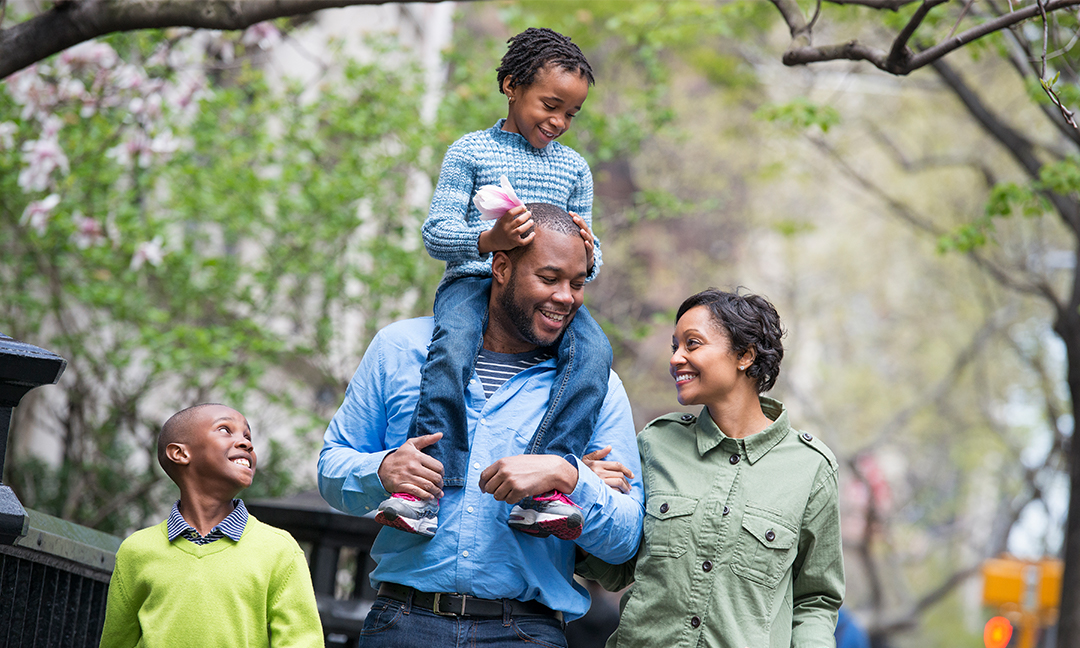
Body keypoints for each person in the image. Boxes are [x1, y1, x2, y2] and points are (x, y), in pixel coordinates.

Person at [318, 203, 643, 648]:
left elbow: (626, 538)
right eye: (548, 279)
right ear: (502, 267)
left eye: (577, 283)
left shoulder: (598, 386)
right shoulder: (400, 349)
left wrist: (571, 477)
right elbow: (331, 467)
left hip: (525, 633)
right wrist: (381, 471)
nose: (566, 297)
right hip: (403, 623)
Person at [377, 27, 611, 540]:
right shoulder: (471, 152)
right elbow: (437, 233)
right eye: (550, 105)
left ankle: (548, 487)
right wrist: (491, 239)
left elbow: (588, 261)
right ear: (511, 85)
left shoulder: (574, 168)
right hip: (472, 282)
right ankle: (425, 488)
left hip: (546, 296)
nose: (559, 121)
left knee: (595, 353)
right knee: (452, 350)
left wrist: (589, 255)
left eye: (571, 114)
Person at [578, 288, 845, 648]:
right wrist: (586, 498)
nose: (676, 358)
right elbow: (616, 568)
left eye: (692, 344)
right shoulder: (655, 445)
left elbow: (816, 600)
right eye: (675, 346)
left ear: (744, 355)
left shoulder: (811, 469)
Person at [99, 404, 324, 648]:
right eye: (226, 430)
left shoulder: (279, 549)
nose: (246, 443)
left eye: (248, 436)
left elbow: (302, 642)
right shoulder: (136, 550)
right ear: (180, 453)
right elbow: (117, 641)